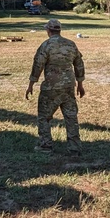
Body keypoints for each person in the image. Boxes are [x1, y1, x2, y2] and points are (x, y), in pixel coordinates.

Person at [25, 19, 85, 154]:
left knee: (44, 117)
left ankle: (45, 146)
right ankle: (74, 148)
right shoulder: (71, 44)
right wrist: (80, 84)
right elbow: (79, 64)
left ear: (48, 31)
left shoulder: (46, 45)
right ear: (60, 30)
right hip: (69, 86)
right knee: (71, 117)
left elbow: (37, 66)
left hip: (51, 87)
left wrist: (31, 85)